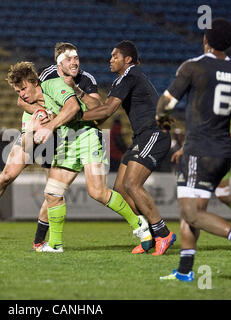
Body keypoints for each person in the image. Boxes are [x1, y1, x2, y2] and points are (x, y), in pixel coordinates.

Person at [0, 61, 151, 252]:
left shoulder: (54, 85)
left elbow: (73, 108)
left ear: (35, 82)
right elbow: (27, 147)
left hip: (87, 135)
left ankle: (139, 225)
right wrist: (31, 130)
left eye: (24, 89)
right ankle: (53, 245)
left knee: (97, 192)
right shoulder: (31, 112)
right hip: (68, 141)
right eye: (18, 92)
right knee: (52, 192)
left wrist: (48, 126)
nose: (22, 96)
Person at [157, 18, 231, 281]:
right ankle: (184, 271)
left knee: (191, 213)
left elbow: (165, 104)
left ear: (205, 40)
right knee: (194, 210)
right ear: (229, 44)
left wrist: (162, 121)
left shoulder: (194, 68)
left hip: (199, 150)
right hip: (224, 154)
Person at [68, 40, 176, 255]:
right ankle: (152, 235)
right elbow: (104, 113)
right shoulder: (124, 79)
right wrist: (80, 97)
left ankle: (163, 233)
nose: (110, 59)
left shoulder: (131, 75)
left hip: (154, 133)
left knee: (132, 184)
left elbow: (107, 110)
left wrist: (72, 117)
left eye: (115, 56)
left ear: (127, 59)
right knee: (120, 188)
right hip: (141, 136)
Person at [29, 42, 103, 250]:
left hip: (81, 136)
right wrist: (42, 119)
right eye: (69, 59)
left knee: (64, 192)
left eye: (76, 58)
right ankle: (43, 241)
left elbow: (99, 110)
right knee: (52, 193)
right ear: (59, 61)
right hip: (55, 137)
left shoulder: (86, 79)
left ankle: (44, 242)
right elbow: (32, 100)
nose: (74, 62)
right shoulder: (47, 75)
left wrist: (77, 93)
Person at [171, 118, 231, 226]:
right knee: (197, 195)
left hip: (221, 157)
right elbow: (194, 134)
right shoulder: (199, 111)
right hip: (201, 158)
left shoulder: (223, 113)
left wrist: (226, 149)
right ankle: (192, 224)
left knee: (222, 194)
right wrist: (182, 150)